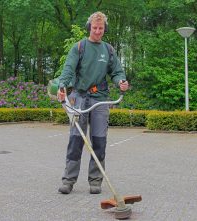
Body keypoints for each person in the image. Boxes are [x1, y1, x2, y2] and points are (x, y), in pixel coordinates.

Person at [57, 11, 129, 194]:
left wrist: (121, 82)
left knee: (99, 141)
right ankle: (68, 180)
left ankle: (95, 181)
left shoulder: (108, 50)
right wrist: (62, 87)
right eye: (95, 28)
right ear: (90, 28)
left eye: (101, 28)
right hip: (79, 98)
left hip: (100, 100)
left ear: (105, 29)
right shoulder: (79, 47)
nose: (98, 31)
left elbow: (117, 72)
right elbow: (68, 70)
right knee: (75, 141)